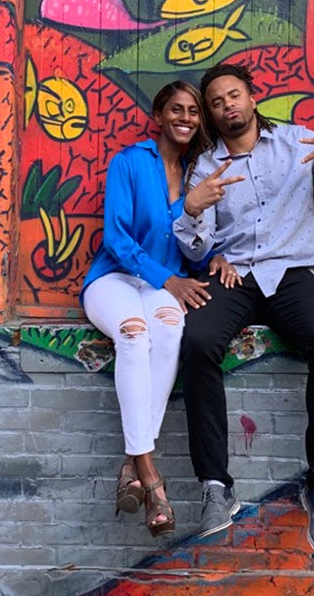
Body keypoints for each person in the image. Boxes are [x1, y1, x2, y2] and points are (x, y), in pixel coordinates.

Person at [173, 62, 314, 562]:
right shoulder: (206, 166)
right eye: (217, 102)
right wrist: (193, 210)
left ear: (252, 98)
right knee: (197, 342)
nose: (227, 106)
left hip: (291, 271)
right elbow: (195, 248)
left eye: (234, 95)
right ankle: (215, 486)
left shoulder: (295, 143)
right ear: (212, 114)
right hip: (234, 275)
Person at [81, 81, 219, 536]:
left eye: (193, 112)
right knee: (134, 333)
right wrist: (167, 279)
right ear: (159, 116)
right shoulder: (129, 162)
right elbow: (116, 239)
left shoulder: (199, 174)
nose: (186, 118)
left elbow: (196, 248)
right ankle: (152, 476)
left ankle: (132, 465)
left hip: (164, 285)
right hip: (115, 279)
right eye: (176, 109)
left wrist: (214, 254)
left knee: (170, 331)